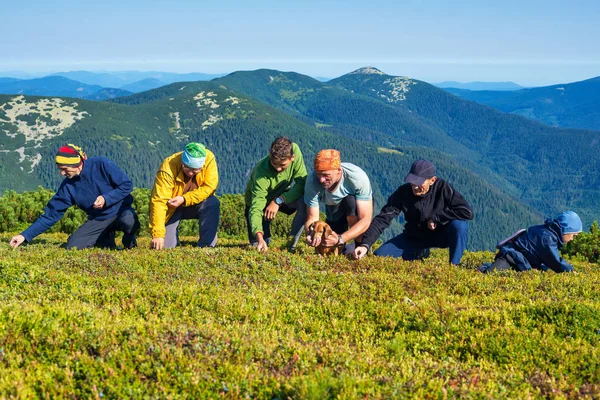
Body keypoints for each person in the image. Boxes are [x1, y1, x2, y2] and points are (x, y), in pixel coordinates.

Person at [9, 144, 139, 250]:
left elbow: (126, 185)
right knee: (73, 247)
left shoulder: (101, 164)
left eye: (65, 169)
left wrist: (106, 198)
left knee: (128, 220)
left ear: (76, 164)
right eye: (60, 169)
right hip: (99, 219)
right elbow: (51, 215)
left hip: (120, 211)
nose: (62, 173)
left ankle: (129, 239)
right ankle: (105, 236)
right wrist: (24, 236)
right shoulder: (67, 187)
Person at [354, 159, 473, 265]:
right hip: (414, 237)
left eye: (419, 182)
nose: (415, 187)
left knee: (460, 226)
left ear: (432, 180)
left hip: (441, 235)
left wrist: (437, 217)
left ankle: (453, 266)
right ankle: (419, 253)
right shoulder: (403, 192)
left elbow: (466, 212)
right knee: (380, 255)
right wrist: (365, 244)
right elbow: (384, 218)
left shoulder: (443, 188)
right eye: (412, 182)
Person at [149, 142, 220, 250]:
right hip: (172, 208)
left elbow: (209, 187)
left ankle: (206, 247)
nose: (191, 173)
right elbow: (159, 201)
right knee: (166, 248)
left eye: (195, 170)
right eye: (187, 168)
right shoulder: (168, 166)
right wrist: (157, 234)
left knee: (212, 202)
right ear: (182, 161)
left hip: (197, 203)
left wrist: (184, 199)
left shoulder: (209, 158)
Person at [244, 137, 307, 252]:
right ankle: (261, 238)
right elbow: (256, 207)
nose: (278, 168)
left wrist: (279, 200)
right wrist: (259, 236)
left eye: (282, 165)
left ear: (292, 157)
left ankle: (291, 244)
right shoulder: (261, 173)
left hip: (281, 196)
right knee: (260, 244)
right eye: (274, 164)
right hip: (259, 203)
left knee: (304, 201)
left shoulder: (295, 150)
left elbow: (302, 183)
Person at [304, 149, 373, 254]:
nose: (321, 180)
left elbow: (365, 220)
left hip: (355, 207)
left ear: (339, 171)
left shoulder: (357, 178)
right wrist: (310, 234)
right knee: (332, 244)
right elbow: (312, 218)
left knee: (350, 202)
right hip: (333, 207)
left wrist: (340, 238)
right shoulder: (312, 181)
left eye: (326, 175)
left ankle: (359, 249)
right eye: (319, 174)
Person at [478, 211, 582, 273]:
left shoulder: (546, 231)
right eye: (573, 235)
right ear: (565, 230)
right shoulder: (548, 239)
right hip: (510, 258)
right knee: (490, 274)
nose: (572, 239)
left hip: (519, 261)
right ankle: (483, 267)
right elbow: (555, 261)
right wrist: (570, 271)